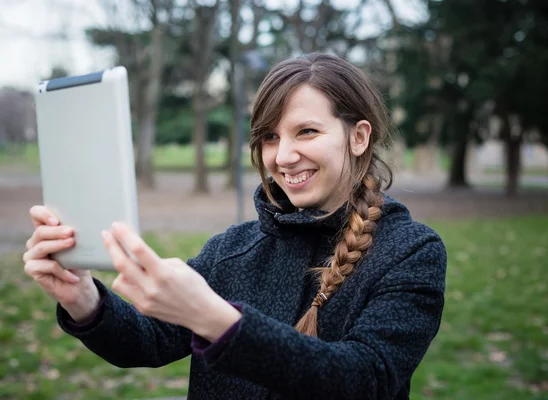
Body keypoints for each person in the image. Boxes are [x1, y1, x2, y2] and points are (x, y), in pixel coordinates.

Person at [23, 52, 447, 400]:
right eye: (270, 137)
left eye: (307, 132)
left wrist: (217, 320)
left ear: (359, 136)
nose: (283, 157)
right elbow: (147, 340)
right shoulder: (232, 249)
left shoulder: (411, 252)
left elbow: (365, 380)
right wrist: (82, 298)